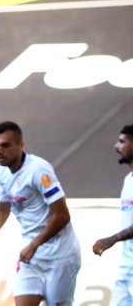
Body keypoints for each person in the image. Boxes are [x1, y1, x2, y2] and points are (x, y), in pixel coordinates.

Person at [0, 121, 81, 306]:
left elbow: (63, 216)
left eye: (5, 145)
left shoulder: (39, 170)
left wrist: (34, 244)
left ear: (21, 145)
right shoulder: (2, 172)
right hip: (30, 257)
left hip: (60, 256)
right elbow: (2, 212)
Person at [92, 124, 133, 305]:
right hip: (127, 267)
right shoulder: (128, 180)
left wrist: (113, 239)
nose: (117, 146)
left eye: (122, 142)